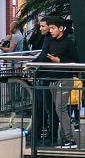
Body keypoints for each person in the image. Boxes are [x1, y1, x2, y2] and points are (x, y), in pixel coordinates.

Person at [33, 15, 80, 148]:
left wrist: (60, 61)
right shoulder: (51, 41)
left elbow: (77, 62)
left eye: (53, 28)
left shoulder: (68, 43)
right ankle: (64, 137)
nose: (51, 31)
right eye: (51, 28)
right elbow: (44, 57)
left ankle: (69, 139)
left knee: (60, 108)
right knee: (57, 108)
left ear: (61, 28)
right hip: (53, 79)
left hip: (65, 79)